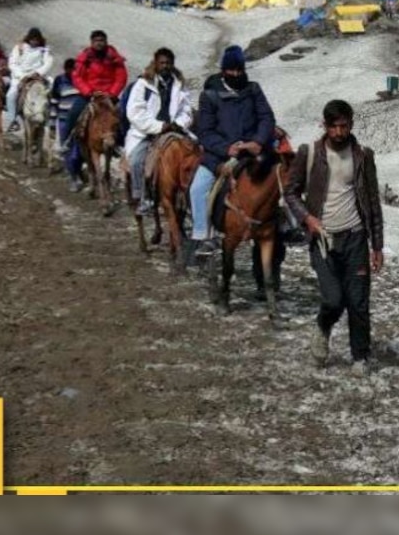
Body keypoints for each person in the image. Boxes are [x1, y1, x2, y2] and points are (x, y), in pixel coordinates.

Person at [284, 99, 384, 376]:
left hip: (355, 237)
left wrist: (377, 245)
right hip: (323, 239)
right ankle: (323, 327)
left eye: (344, 126)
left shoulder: (363, 155)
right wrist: (308, 218)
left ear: (351, 124)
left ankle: (360, 356)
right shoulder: (310, 154)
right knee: (333, 299)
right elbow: (290, 192)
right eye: (334, 127)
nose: (339, 132)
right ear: (325, 126)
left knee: (358, 301)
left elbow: (372, 201)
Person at [189, 45, 276, 259]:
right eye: (232, 70)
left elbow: (266, 117)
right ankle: (204, 235)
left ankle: (289, 224)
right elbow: (205, 131)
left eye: (239, 70)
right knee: (198, 188)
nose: (236, 74)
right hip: (220, 153)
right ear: (224, 70)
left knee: (280, 178)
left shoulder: (253, 89)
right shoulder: (210, 95)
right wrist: (226, 148)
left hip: (252, 150)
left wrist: (257, 141)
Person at [123, 48, 192, 216]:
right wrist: (158, 126)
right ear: (155, 63)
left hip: (174, 130)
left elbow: (186, 110)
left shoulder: (180, 84)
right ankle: (142, 197)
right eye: (162, 63)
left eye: (168, 63)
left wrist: (178, 123)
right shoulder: (143, 84)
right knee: (137, 160)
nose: (165, 66)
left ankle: (188, 196)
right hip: (148, 132)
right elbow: (135, 112)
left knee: (195, 155)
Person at [62, 30, 129, 146]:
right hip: (89, 95)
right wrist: (88, 92)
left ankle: (122, 145)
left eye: (102, 40)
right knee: (74, 113)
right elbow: (77, 76)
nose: (99, 43)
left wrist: (112, 93)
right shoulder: (85, 58)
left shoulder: (115, 58)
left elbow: (121, 77)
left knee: (124, 116)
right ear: (91, 42)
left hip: (109, 95)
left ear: (106, 42)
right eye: (96, 41)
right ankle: (66, 142)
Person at [5, 27, 54, 131]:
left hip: (37, 76)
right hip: (20, 76)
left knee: (51, 88)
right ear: (29, 39)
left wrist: (37, 73)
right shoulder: (19, 48)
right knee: (11, 95)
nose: (34, 42)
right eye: (32, 39)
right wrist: (22, 75)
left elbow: (48, 63)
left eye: (36, 40)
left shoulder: (44, 50)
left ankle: (50, 119)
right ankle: (13, 120)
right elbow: (12, 63)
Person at [48, 58, 84, 191]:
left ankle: (78, 171)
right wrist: (52, 123)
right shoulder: (60, 80)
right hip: (63, 120)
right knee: (67, 150)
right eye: (70, 70)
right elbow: (54, 101)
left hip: (80, 121)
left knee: (78, 151)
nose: (73, 72)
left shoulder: (82, 81)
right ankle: (73, 178)